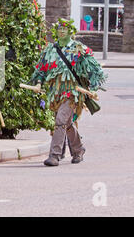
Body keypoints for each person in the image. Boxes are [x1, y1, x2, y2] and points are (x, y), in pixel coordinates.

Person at [28, 18, 107, 166]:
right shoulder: (50, 49)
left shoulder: (78, 48)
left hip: (72, 92)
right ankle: (78, 150)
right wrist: (38, 82)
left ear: (71, 32)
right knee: (67, 123)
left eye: (65, 29)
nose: (61, 31)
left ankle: (55, 155)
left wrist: (94, 87)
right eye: (59, 29)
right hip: (55, 92)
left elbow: (95, 69)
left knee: (60, 121)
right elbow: (41, 69)